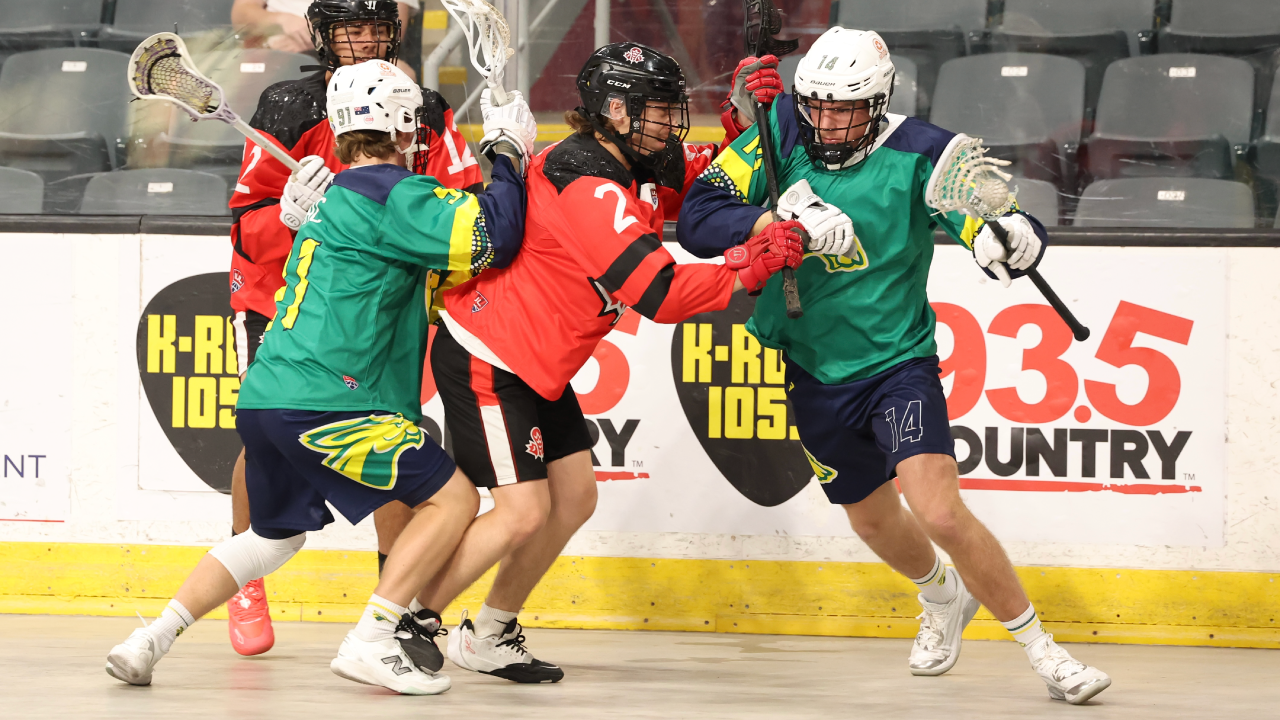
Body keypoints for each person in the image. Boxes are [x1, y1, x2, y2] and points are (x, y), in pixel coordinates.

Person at [677, 27, 1111, 705]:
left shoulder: (927, 150)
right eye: (816, 104)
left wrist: (1014, 235)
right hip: (811, 368)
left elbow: (1001, 209)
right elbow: (700, 215)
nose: (825, 121)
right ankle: (941, 597)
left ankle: (1045, 652)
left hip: (896, 363)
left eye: (844, 109)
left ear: (877, 104)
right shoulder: (778, 128)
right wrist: (780, 219)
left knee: (938, 511)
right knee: (872, 520)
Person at [105, 59, 537, 696]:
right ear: (399, 126)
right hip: (335, 403)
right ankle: (372, 637)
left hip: (269, 395)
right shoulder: (396, 195)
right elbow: (491, 237)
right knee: (454, 500)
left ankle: (149, 640)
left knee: (274, 537)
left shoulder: (333, 197)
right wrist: (508, 155)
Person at [392, 42, 801, 683]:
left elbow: (711, 185)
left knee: (573, 498)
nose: (671, 125)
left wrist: (750, 124)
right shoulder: (584, 180)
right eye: (658, 111)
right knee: (523, 510)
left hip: (537, 362)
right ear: (615, 109)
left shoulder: (634, 157)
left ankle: (491, 632)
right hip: (490, 356)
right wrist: (748, 265)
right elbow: (659, 294)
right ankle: (407, 623)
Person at [225, 0, 483, 656]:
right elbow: (246, 228)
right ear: (323, 32)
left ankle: (391, 606)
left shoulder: (422, 108)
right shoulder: (288, 106)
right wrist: (285, 218)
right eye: (349, 27)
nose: (363, 37)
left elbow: (465, 195)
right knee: (266, 442)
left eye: (374, 26)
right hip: (281, 299)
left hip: (376, 302)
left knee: (393, 438)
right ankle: (244, 579)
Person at [232, 0, 421, 78]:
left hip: (354, 56)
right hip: (276, 56)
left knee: (402, 73)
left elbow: (392, 32)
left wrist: (320, 37)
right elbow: (241, 15)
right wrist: (282, 21)